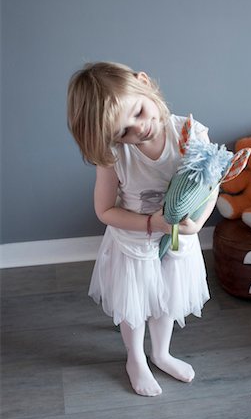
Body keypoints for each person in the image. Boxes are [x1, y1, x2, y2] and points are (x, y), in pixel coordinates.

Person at [67, 62, 218, 397]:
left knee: (167, 298)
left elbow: (211, 185)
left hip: (178, 239)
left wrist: (198, 222)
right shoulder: (114, 154)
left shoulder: (189, 133)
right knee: (136, 303)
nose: (139, 129)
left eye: (138, 112)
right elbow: (105, 210)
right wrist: (153, 223)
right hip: (135, 242)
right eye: (123, 132)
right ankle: (135, 357)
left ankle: (161, 352)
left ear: (144, 83)